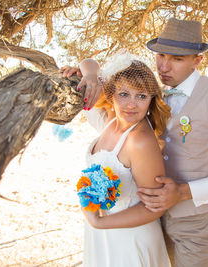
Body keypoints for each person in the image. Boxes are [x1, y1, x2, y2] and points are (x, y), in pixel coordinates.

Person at [61, 18, 208, 267]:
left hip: (195, 224)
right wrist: (85, 76)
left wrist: (183, 192)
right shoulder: (146, 93)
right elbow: (107, 116)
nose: (164, 66)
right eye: (161, 55)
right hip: (149, 222)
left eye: (177, 59)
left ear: (197, 60)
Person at [68, 54, 172, 267]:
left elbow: (154, 207)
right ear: (111, 94)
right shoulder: (109, 120)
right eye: (124, 94)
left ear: (151, 99)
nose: (132, 105)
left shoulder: (140, 141)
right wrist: (88, 75)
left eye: (142, 96)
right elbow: (88, 62)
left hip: (130, 242)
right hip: (104, 237)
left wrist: (99, 221)